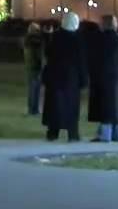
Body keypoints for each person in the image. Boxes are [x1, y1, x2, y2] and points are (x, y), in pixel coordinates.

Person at [41, 11, 87, 142]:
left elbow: (48, 55)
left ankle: (52, 132)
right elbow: (81, 61)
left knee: (54, 105)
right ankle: (72, 133)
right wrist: (84, 80)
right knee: (71, 106)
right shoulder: (78, 40)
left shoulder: (55, 38)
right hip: (71, 79)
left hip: (55, 77)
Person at [89, 15, 118, 142]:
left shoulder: (100, 38)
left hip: (104, 76)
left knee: (105, 106)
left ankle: (106, 135)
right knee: (117, 106)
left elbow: (94, 57)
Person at [21, 23, 44, 116]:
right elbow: (39, 55)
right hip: (35, 67)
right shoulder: (35, 42)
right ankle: (34, 109)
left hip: (30, 67)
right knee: (35, 90)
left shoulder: (27, 40)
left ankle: (32, 109)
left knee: (32, 89)